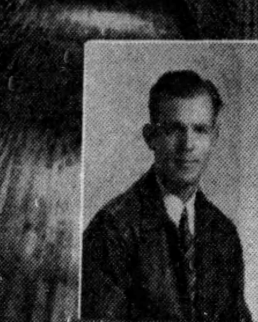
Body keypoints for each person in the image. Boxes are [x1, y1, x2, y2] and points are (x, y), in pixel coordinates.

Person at [81, 70, 252, 322]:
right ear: (151, 137)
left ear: (214, 137)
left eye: (200, 130)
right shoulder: (112, 229)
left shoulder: (223, 234)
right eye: (174, 129)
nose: (188, 144)